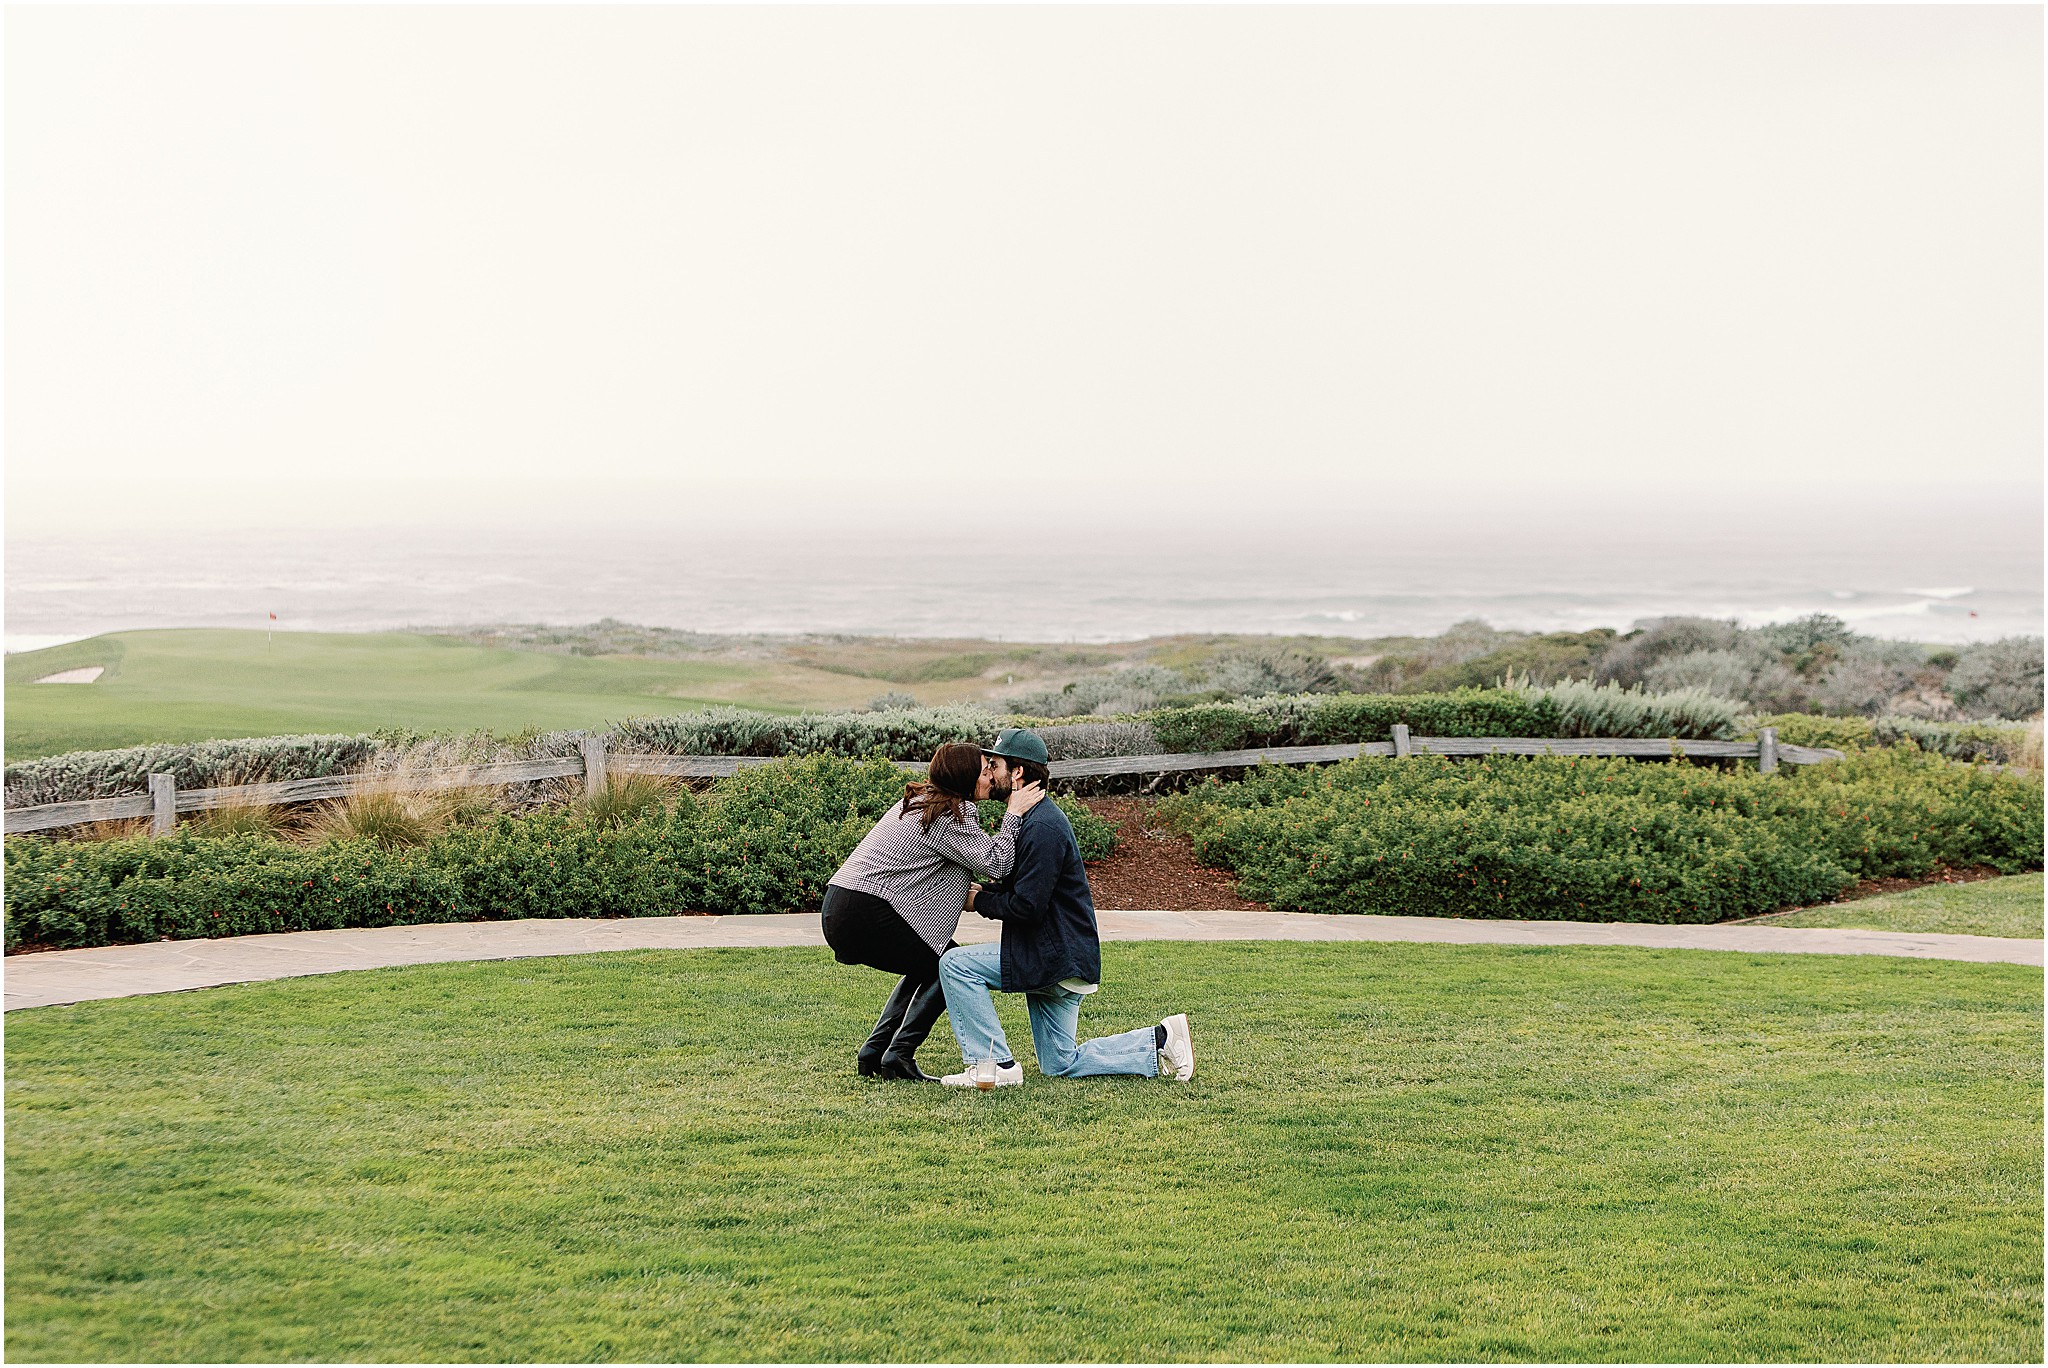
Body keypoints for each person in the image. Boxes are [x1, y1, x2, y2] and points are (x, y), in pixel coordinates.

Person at [936, 728, 1194, 1089]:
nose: (989, 773)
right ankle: (1161, 1040)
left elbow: (1027, 906)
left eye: (994, 765)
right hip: (1061, 954)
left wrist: (979, 900)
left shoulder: (1043, 826)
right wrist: (988, 890)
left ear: (1018, 774)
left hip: (1053, 957)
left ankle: (990, 1065)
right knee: (1060, 1063)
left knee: (955, 965)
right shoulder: (1034, 819)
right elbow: (1025, 887)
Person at [821, 741, 1046, 1081]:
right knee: (951, 965)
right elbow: (998, 863)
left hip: (843, 904)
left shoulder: (927, 803)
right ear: (964, 778)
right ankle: (897, 1055)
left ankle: (876, 1052)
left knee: (933, 960)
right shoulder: (947, 816)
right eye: (984, 770)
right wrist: (1013, 814)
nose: (989, 775)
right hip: (864, 910)